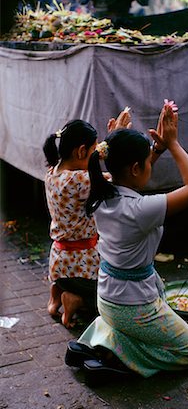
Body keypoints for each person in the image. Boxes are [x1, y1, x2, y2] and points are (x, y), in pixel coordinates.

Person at [65, 102, 188, 383]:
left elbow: (128, 178)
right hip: (132, 306)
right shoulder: (140, 210)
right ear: (134, 168)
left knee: (139, 325)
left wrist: (153, 151)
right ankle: (120, 360)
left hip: (108, 298)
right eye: (146, 164)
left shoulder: (101, 192)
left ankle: (101, 343)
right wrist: (173, 144)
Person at [43, 110, 131, 328]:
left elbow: (89, 161)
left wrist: (109, 142)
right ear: (82, 151)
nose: (96, 153)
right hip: (81, 263)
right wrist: (116, 141)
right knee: (108, 299)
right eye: (94, 148)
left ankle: (54, 300)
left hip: (58, 261)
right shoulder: (81, 180)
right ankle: (73, 301)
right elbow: (116, 179)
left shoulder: (53, 171)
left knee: (63, 280)